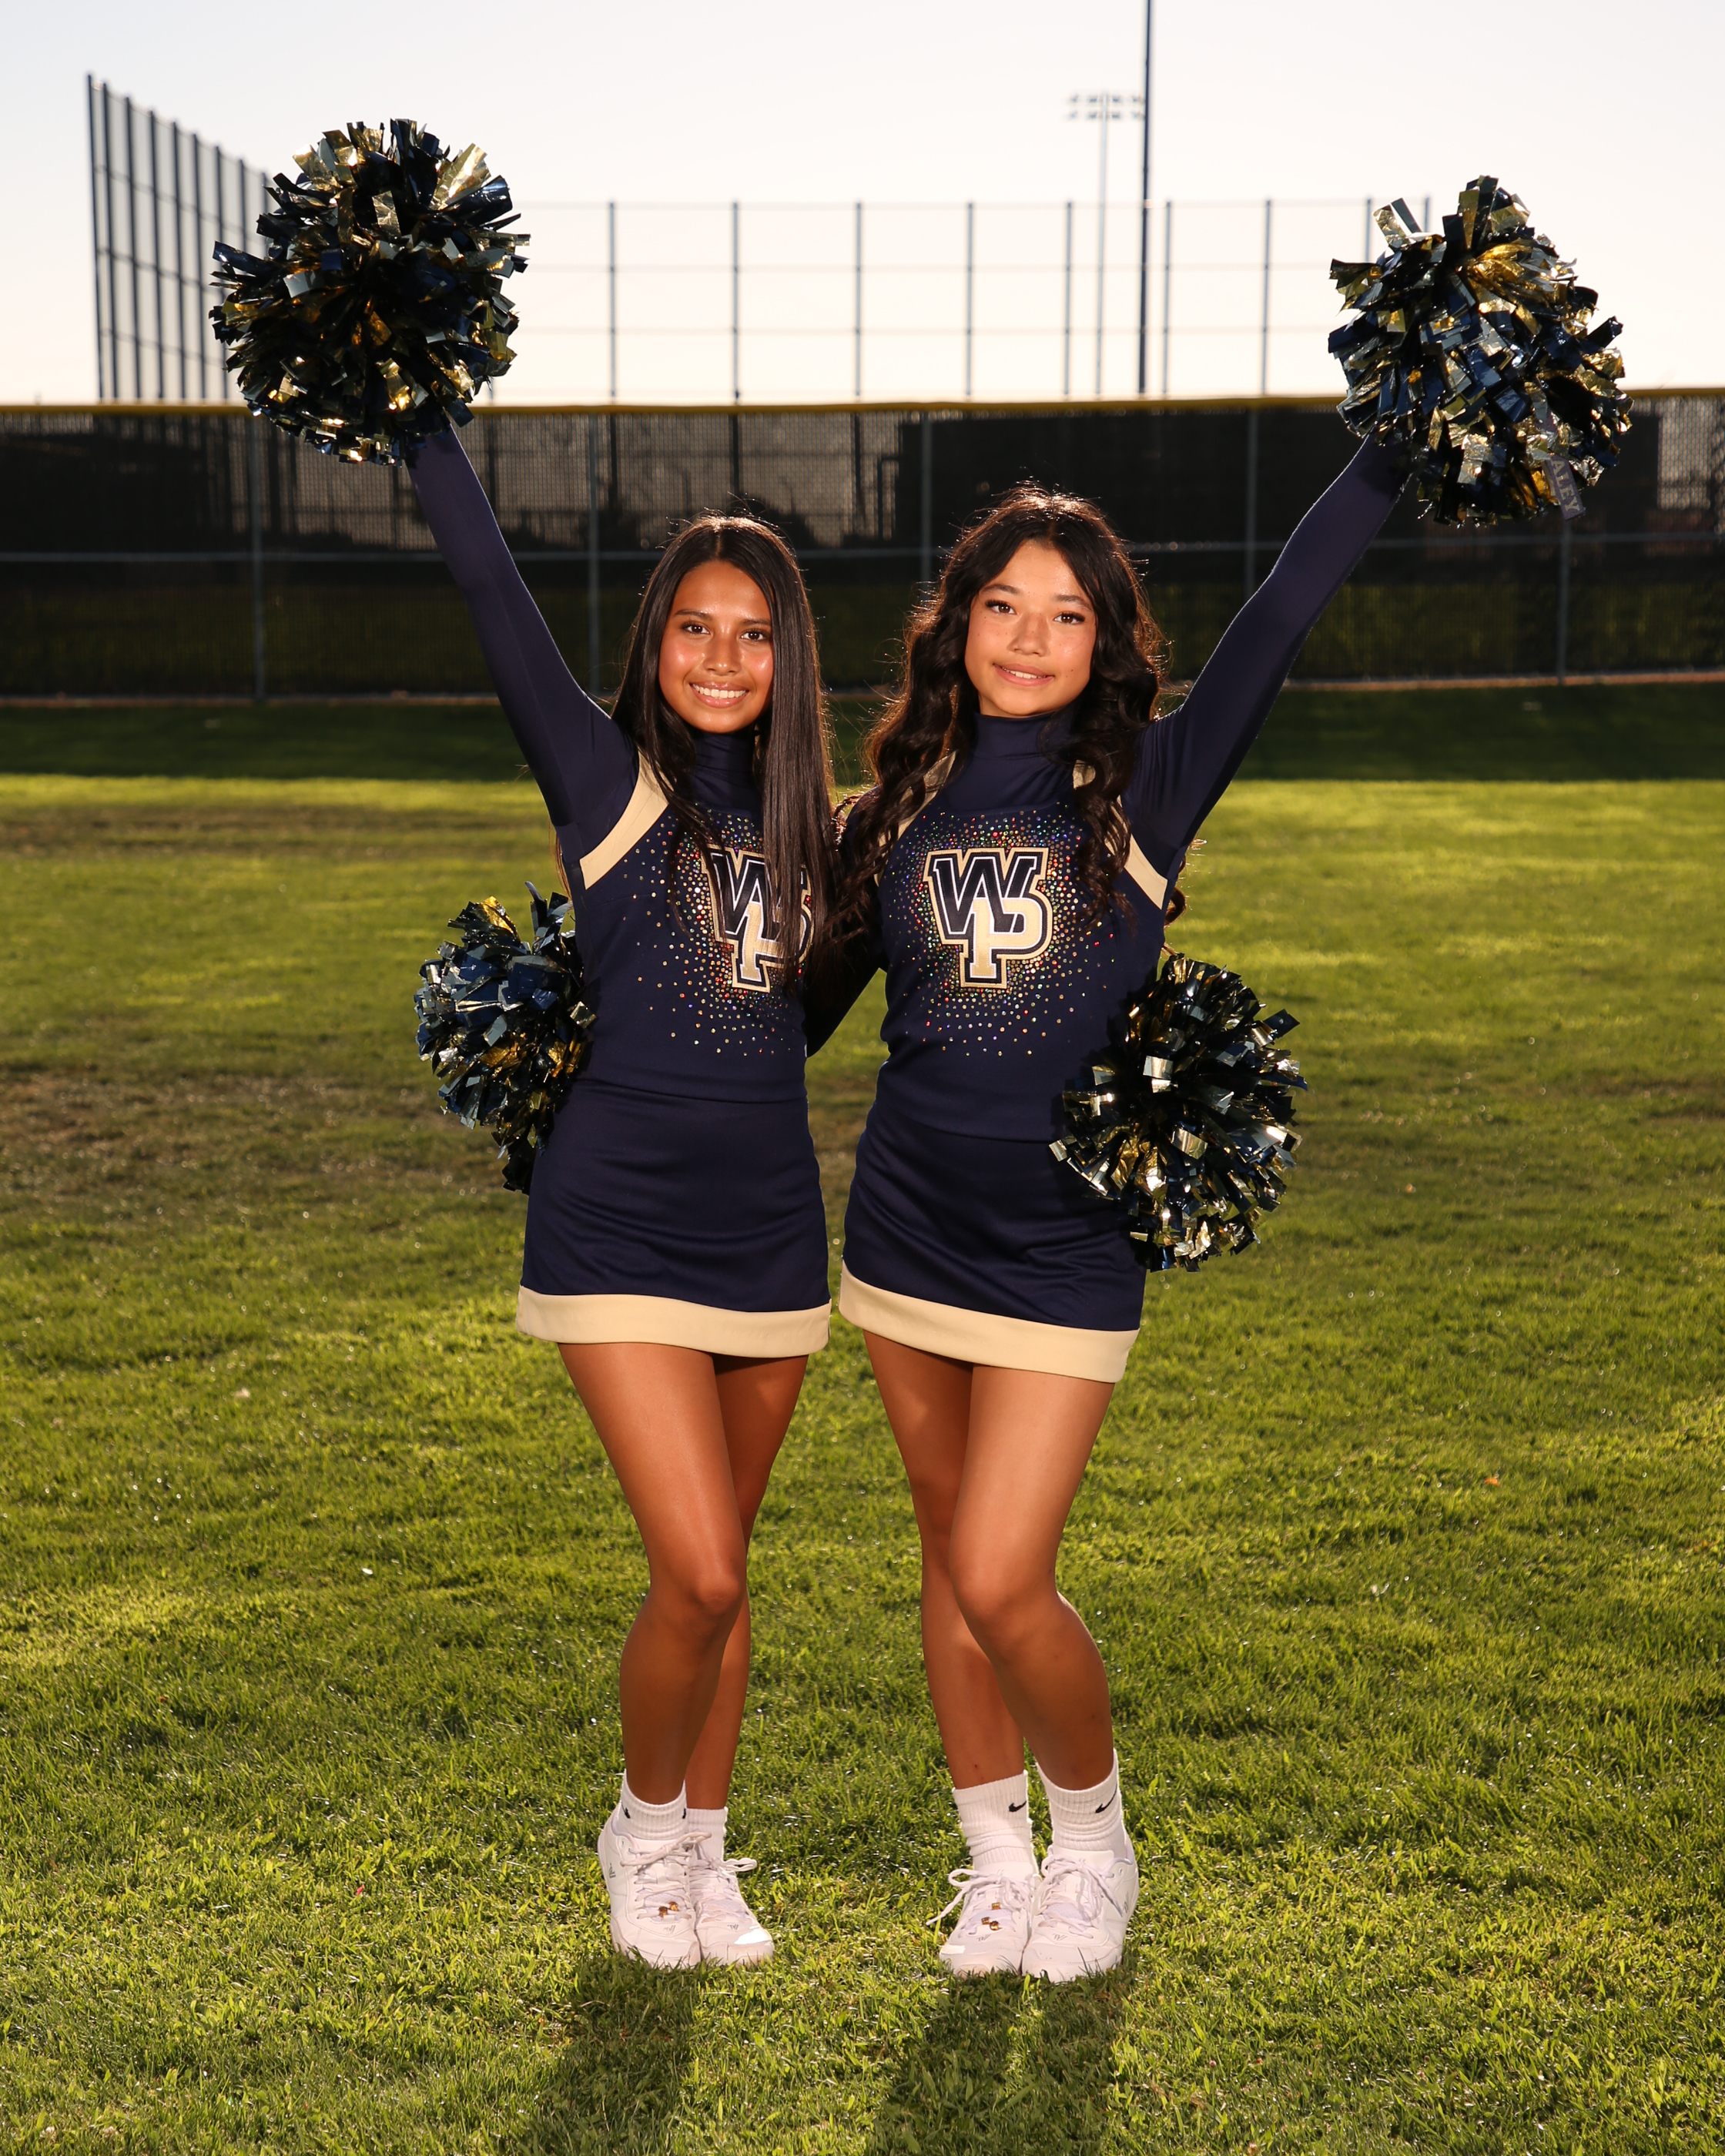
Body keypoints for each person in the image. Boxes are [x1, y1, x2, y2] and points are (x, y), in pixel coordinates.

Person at [813, 435, 1405, 1980]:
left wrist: (1395, 444)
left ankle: (1092, 1845)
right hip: (905, 1228)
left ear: (1106, 641)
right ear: (956, 624)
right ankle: (996, 1862)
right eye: (1002, 605)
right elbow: (785, 1018)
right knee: (947, 1558)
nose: (1028, 637)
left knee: (1003, 1571)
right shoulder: (889, 810)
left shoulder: (1144, 786)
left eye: (1065, 614)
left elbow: (1282, 608)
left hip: (1063, 1244)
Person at [409, 427, 839, 1969]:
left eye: (753, 633)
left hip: (772, 1238)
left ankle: (704, 1855)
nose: (722, 658)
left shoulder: (821, 834)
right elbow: (488, 586)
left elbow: (800, 1024)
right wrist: (414, 413)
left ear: (788, 659)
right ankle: (642, 1833)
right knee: (699, 1568)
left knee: (724, 1578)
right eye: (693, 627)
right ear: (652, 643)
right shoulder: (604, 782)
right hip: (618, 1231)